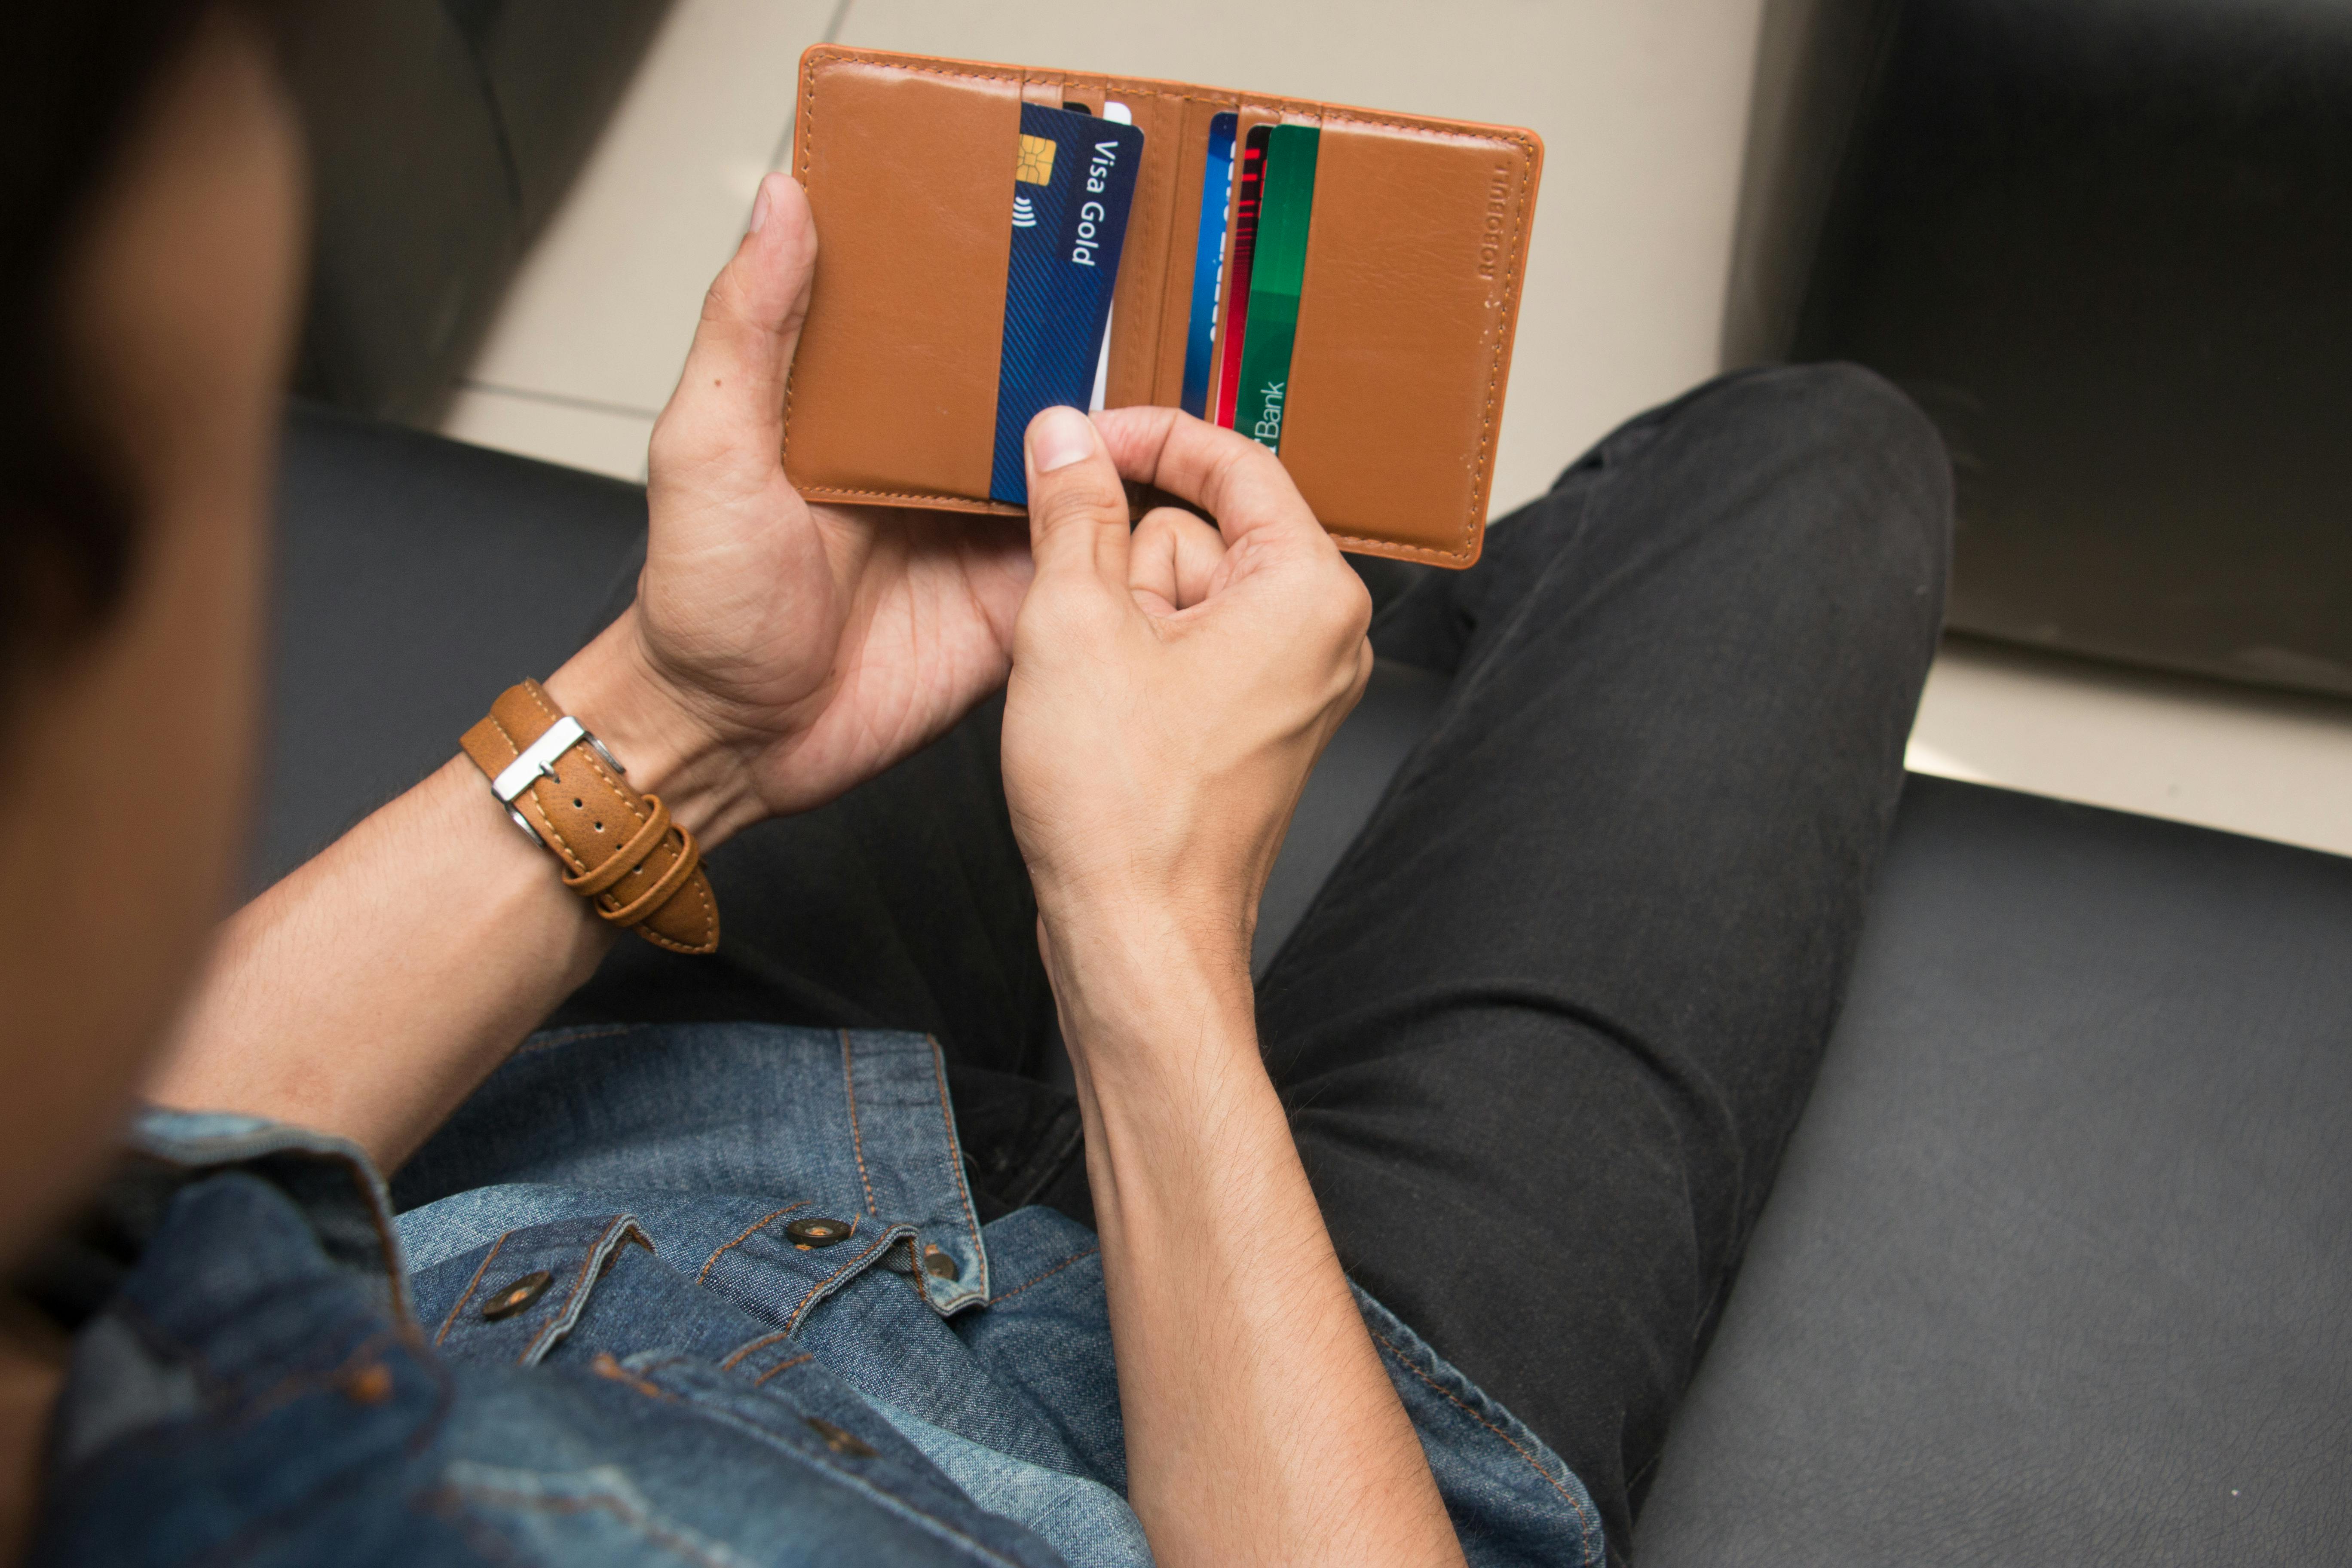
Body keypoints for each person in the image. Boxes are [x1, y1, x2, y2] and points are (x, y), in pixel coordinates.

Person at [0, 4, 1950, 1565]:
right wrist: (1144, 940)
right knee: (1807, 461)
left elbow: (122, 1198)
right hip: (1316, 1439)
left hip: (617, 1161)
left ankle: (1359, 619)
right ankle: (1400, 622)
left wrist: (687, 721)